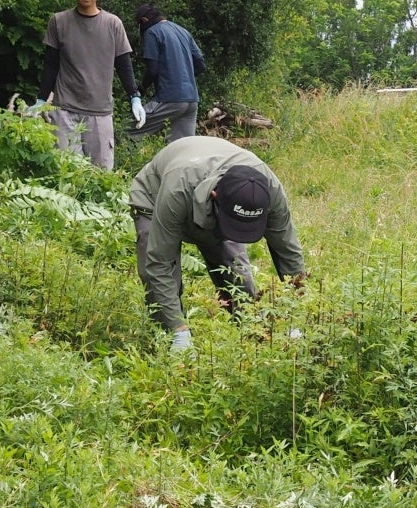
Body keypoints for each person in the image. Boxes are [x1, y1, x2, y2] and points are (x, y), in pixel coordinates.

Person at [128, 136, 306, 352]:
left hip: (210, 198)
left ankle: (252, 339)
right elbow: (159, 264)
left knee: (238, 278)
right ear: (215, 198)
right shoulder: (177, 189)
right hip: (155, 196)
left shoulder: (269, 190)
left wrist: (296, 317)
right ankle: (169, 344)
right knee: (159, 279)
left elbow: (288, 252)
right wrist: (179, 330)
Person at [42, 0, 144, 169]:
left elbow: (123, 65)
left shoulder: (113, 24)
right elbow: (50, 65)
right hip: (65, 110)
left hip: (100, 112)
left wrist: (134, 96)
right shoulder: (59, 22)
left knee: (100, 175)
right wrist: (41, 98)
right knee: (67, 172)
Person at [132, 3, 206, 142]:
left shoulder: (152, 32)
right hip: (191, 99)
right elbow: (201, 65)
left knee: (125, 128)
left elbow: (152, 70)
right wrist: (181, 75)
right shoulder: (183, 31)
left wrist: (141, 89)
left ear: (144, 21)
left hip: (170, 98)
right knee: (182, 149)